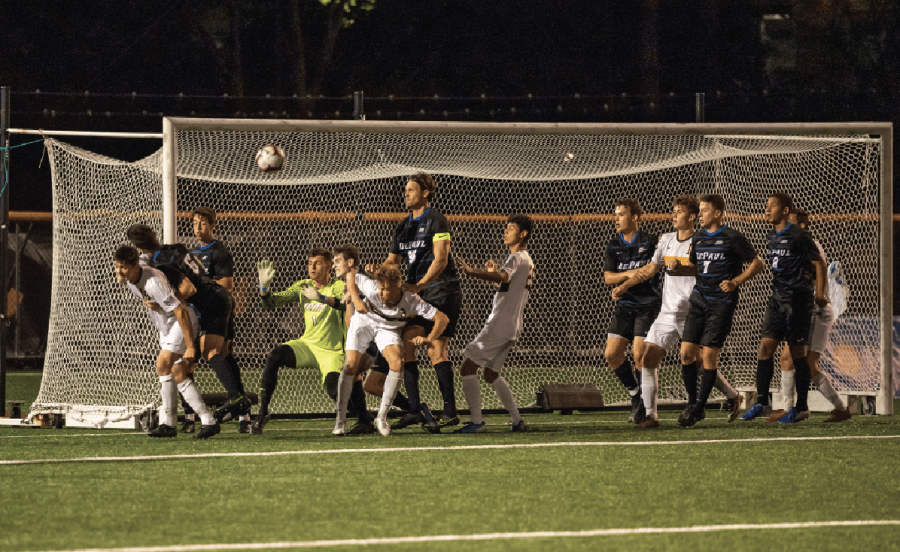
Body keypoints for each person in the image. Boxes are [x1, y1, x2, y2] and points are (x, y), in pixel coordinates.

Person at [613, 196, 743, 429]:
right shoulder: (666, 240)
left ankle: (732, 396)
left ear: (692, 217)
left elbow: (705, 270)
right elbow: (651, 269)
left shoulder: (701, 241)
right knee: (646, 358)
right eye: (673, 211)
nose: (673, 215)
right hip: (667, 312)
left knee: (702, 364)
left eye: (679, 212)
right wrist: (625, 285)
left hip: (692, 311)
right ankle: (651, 416)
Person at [126, 224, 251, 425]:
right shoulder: (177, 248)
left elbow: (188, 289)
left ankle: (233, 401)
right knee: (221, 354)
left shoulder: (161, 263)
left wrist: (165, 302)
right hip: (220, 297)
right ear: (154, 235)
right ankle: (232, 405)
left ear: (139, 247)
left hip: (209, 302)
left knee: (208, 351)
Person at [367, 172, 463, 430]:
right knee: (408, 342)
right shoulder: (403, 227)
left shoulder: (436, 220)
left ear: (425, 193)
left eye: (410, 190)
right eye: (405, 190)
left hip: (443, 289)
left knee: (435, 349)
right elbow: (393, 262)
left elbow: (441, 260)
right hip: (420, 292)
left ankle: (450, 412)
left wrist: (420, 285)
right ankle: (414, 410)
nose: (405, 194)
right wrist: (377, 270)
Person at [252, 247, 374, 435]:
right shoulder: (303, 286)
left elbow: (345, 305)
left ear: (328, 266)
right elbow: (271, 304)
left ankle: (365, 418)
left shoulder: (337, 286)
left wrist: (321, 298)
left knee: (336, 393)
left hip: (332, 351)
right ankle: (262, 414)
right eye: (310, 263)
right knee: (274, 356)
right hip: (307, 345)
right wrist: (264, 289)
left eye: (318, 263)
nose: (312, 267)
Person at [113, 245, 220, 439]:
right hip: (165, 327)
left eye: (124, 267)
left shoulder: (154, 282)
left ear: (135, 266)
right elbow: (143, 257)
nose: (119, 271)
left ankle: (169, 422)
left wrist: (190, 347)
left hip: (181, 322)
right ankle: (207, 421)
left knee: (162, 364)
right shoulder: (132, 275)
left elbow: (180, 311)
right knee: (177, 373)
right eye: (117, 266)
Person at [736, 196, 827, 424]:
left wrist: (819, 293)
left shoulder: (798, 235)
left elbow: (819, 264)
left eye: (772, 206)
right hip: (777, 299)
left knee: (798, 355)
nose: (767, 209)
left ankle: (802, 407)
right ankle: (762, 403)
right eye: (765, 205)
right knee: (765, 349)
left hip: (797, 301)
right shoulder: (772, 236)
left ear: (786, 210)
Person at [677, 194, 763, 427]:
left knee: (708, 356)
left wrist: (735, 281)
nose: (701, 214)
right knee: (686, 353)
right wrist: (679, 267)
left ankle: (699, 407)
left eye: (705, 210)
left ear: (717, 213)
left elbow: (758, 264)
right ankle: (692, 402)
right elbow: (695, 267)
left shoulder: (732, 237)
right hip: (699, 300)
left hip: (721, 303)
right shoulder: (699, 237)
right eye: (700, 210)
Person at [334, 265, 449, 437]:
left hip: (387, 329)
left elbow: (442, 318)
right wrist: (356, 299)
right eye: (380, 288)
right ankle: (340, 421)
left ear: (398, 287)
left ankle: (381, 418)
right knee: (351, 366)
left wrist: (430, 339)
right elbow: (351, 275)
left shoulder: (411, 300)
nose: (381, 293)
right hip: (364, 322)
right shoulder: (372, 288)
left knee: (397, 362)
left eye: (386, 289)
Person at [766, 210, 852, 423]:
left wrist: (820, 296)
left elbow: (819, 268)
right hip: (800, 309)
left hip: (816, 311)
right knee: (786, 359)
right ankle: (789, 408)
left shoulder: (809, 245)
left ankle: (840, 408)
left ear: (802, 226)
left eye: (792, 223)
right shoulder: (791, 244)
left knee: (809, 364)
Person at [454, 215, 534, 433]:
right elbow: (507, 285)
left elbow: (503, 277)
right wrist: (493, 274)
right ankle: (517, 420)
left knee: (467, 367)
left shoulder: (517, 257)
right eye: (506, 227)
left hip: (500, 324)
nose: (506, 231)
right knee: (490, 374)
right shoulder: (527, 259)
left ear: (523, 234)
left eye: (511, 228)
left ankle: (477, 421)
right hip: (513, 326)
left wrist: (474, 272)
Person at [182, 206, 242, 433]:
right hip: (196, 311)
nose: (198, 227)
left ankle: (240, 406)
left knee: (216, 353)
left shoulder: (219, 251)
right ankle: (190, 416)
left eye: (203, 223)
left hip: (217, 308)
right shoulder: (190, 254)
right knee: (187, 361)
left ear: (213, 225)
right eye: (195, 223)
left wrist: (200, 286)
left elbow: (228, 285)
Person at [603, 198, 661, 424]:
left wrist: (631, 276)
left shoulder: (651, 241)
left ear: (635, 217)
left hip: (647, 305)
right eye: (615, 214)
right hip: (625, 306)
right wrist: (630, 275)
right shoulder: (613, 245)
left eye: (621, 214)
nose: (616, 219)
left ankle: (647, 409)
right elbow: (608, 277)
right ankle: (635, 394)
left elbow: (651, 269)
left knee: (639, 355)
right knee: (611, 354)